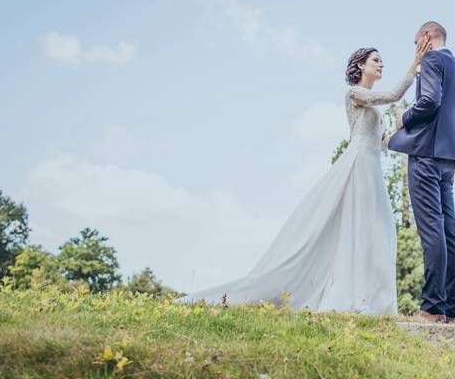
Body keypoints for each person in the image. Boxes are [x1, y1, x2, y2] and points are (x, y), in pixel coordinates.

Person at [173, 39, 431, 315]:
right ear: (360, 66)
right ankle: (345, 294)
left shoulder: (375, 109)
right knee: (356, 227)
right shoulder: (353, 94)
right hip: (357, 166)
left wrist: (398, 127)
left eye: (381, 61)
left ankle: (369, 298)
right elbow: (392, 95)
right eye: (375, 60)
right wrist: (415, 65)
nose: (380, 64)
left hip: (373, 169)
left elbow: (383, 143)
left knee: (376, 230)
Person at [387, 21, 455, 324]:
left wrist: (403, 119)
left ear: (426, 37)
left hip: (425, 155)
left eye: (415, 43)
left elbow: (429, 101)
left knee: (432, 231)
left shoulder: (432, 60)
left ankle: (433, 307)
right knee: (449, 232)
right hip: (450, 159)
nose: (416, 50)